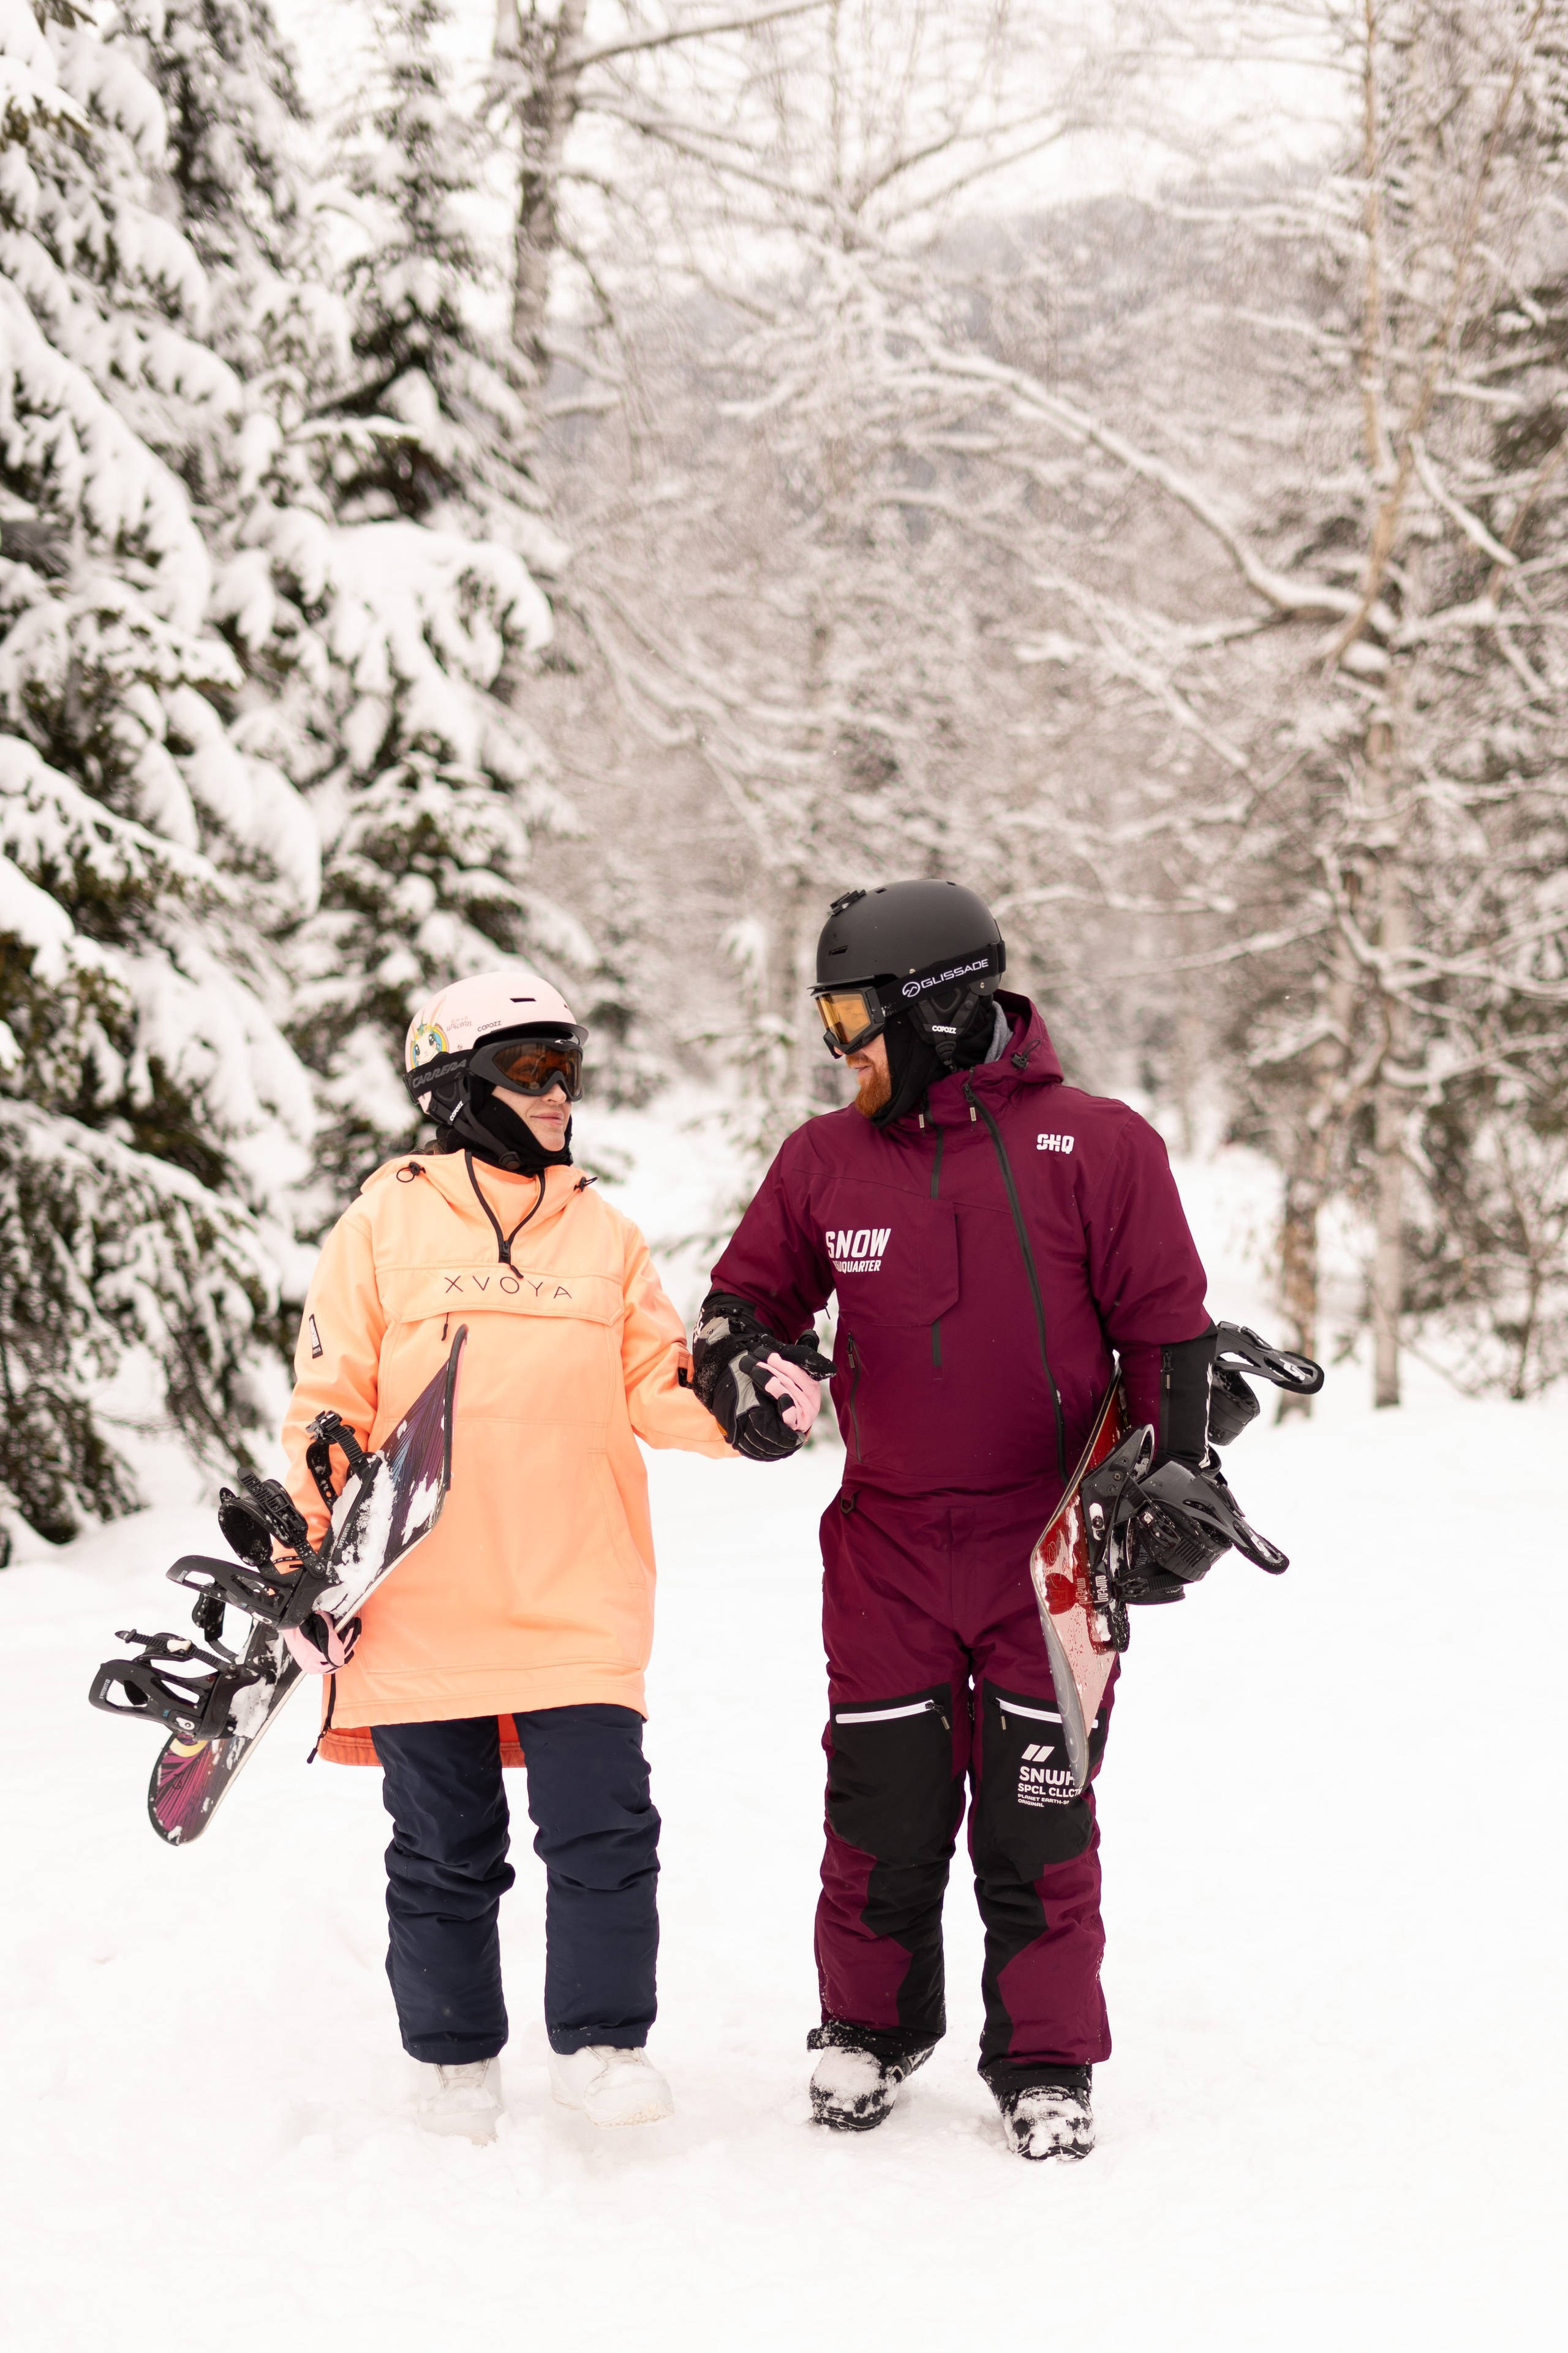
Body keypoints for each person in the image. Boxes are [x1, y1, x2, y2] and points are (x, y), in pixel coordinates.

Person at [692, 880, 1218, 2162]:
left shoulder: (1096, 1146)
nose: (836, 1047)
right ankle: (868, 2027)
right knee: (879, 1801)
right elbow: (742, 1301)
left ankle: (1043, 2056)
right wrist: (746, 1370)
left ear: (928, 1007)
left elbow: (1166, 1330)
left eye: (848, 1016)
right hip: (882, 1551)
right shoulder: (823, 1162)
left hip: (1048, 1549)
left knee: (1038, 1811)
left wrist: (1170, 1484)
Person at [279, 969, 818, 2143]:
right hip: (423, 1598)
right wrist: (314, 1551)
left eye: (567, 1066)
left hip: (578, 1588)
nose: (558, 1092)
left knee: (608, 1834)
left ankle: (604, 2044)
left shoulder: (605, 1234)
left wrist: (745, 1415)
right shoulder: (382, 1223)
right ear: (456, 1083)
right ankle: (454, 2057)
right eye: (528, 1068)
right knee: (443, 1849)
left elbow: (658, 1383)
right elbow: (327, 1404)